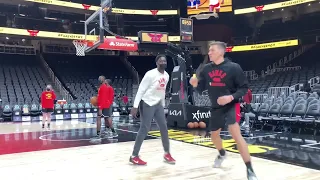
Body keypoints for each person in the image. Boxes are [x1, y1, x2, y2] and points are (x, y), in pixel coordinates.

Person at [189, 41, 258, 180]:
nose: (209, 53)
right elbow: (201, 89)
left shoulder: (234, 68)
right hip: (216, 107)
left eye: (212, 50)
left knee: (235, 133)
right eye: (209, 50)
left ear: (221, 52)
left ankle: (250, 169)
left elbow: (244, 88)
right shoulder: (206, 69)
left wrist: (230, 97)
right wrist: (195, 84)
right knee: (214, 136)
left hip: (232, 105)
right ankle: (221, 153)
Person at [130, 54, 175, 165]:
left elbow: (162, 92)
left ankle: (167, 153)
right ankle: (134, 156)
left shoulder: (167, 75)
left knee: (164, 127)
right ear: (156, 63)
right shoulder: (150, 74)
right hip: (147, 103)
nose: (163, 62)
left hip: (158, 104)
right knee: (144, 128)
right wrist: (135, 106)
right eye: (161, 61)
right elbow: (141, 89)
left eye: (164, 61)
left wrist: (163, 106)